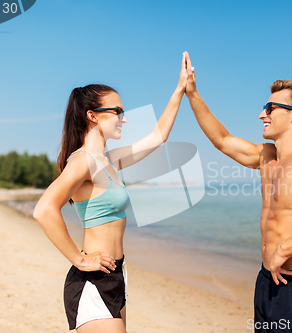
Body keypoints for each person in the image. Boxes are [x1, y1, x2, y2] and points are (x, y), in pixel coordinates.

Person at [184, 52, 292, 332]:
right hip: (267, 280)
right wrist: (192, 93)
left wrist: (285, 249)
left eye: (270, 107)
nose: (261, 114)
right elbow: (222, 140)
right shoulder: (266, 156)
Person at [33, 53, 189, 332]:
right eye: (116, 111)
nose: (123, 119)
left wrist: (180, 90)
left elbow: (158, 137)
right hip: (93, 279)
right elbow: (44, 210)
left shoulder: (109, 159)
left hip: (115, 272)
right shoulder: (82, 161)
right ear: (92, 116)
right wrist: (79, 259)